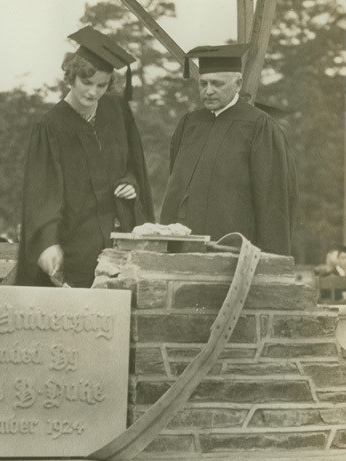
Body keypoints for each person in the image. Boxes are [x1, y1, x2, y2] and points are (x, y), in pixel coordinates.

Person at [17, 26, 154, 288]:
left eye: (102, 85)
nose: (93, 92)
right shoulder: (51, 126)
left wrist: (130, 182)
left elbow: (134, 166)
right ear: (71, 77)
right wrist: (47, 242)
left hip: (120, 237)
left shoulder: (117, 112)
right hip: (77, 243)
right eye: (87, 83)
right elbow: (42, 194)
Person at [160, 44, 297, 256]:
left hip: (232, 249)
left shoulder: (258, 125)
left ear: (238, 83)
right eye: (203, 83)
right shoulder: (189, 124)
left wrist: (271, 258)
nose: (209, 91)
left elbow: (272, 199)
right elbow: (175, 184)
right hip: (184, 247)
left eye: (217, 84)